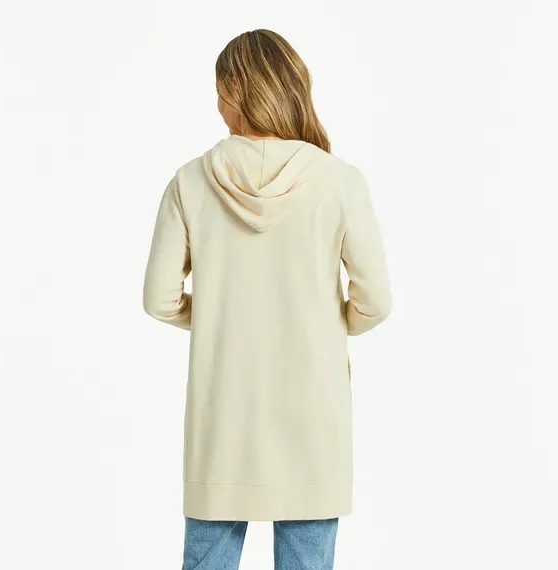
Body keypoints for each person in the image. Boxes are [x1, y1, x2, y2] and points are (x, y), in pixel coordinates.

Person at [142, 28, 392, 570]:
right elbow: (375, 301)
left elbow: (160, 299)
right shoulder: (339, 182)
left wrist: (218, 315)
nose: (216, 105)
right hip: (313, 416)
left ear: (236, 90)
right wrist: (328, 322)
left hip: (221, 416)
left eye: (218, 90)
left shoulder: (189, 182)